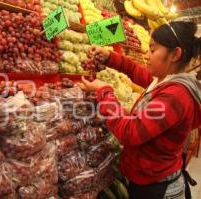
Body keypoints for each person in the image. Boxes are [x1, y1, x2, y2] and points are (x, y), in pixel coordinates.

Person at [78, 21, 201, 199]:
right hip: (147, 179)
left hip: (156, 188)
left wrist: (104, 92)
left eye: (152, 49)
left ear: (175, 54)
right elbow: (136, 71)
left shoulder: (176, 96)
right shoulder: (165, 80)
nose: (146, 53)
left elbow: (130, 132)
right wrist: (110, 57)